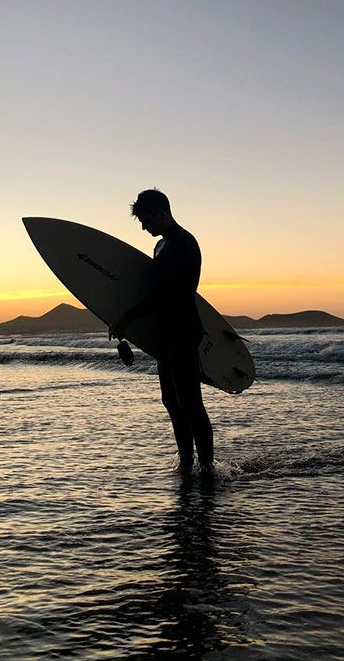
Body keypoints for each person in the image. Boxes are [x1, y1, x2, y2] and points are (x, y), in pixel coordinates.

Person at [110, 189, 214, 474]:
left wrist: (127, 318)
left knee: (190, 401)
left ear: (161, 213)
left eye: (146, 220)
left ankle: (206, 467)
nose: (143, 227)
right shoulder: (161, 246)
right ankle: (186, 463)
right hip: (165, 332)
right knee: (171, 400)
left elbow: (166, 294)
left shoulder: (183, 243)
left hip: (183, 329)